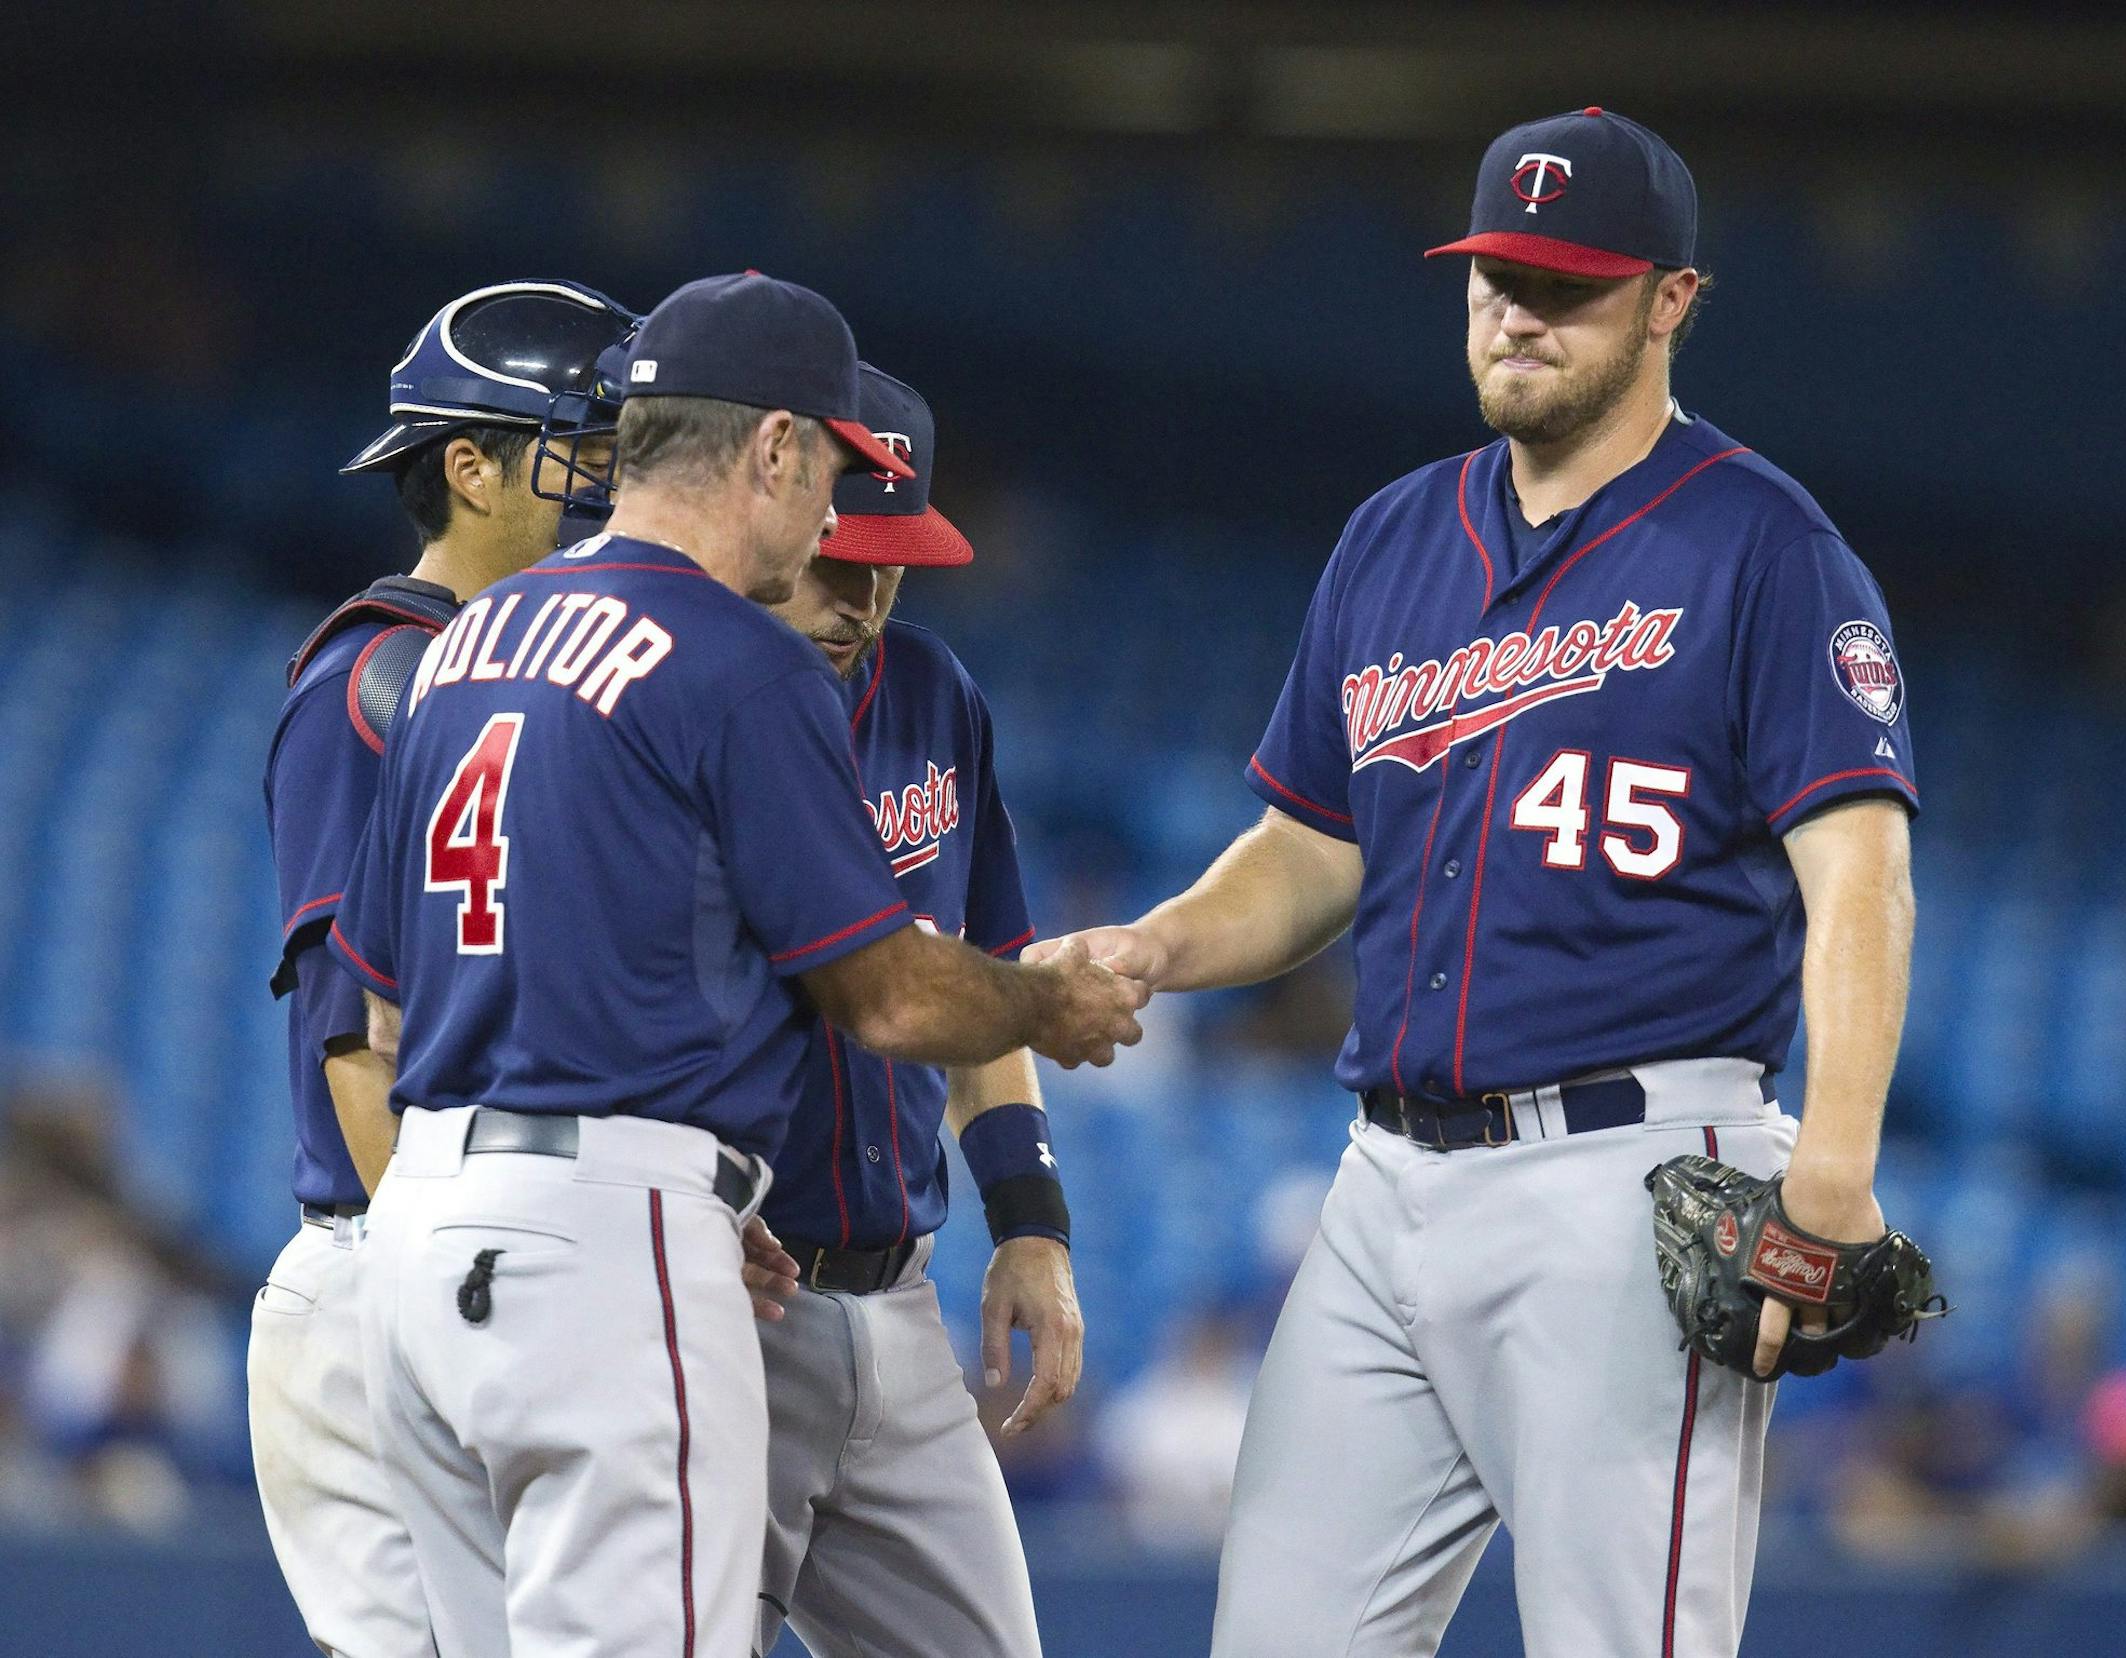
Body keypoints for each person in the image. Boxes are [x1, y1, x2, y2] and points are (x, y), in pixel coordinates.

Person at [1031, 107, 1920, 1657]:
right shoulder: (1392, 539)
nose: (1520, 309)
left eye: (1567, 281)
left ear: (1670, 301)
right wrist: (1161, 945)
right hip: (1381, 1183)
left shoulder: (1766, 546)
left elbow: (1862, 876)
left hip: (1632, 1174)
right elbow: (1316, 845)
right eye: (1496, 274)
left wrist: (1832, 1170)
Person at [326, 273, 1148, 1658]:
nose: (839, 529)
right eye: (826, 479)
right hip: (618, 1235)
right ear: (772, 447)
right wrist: (1047, 1000)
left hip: (438, 1238)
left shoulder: (467, 640)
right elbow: (889, 990)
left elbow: (382, 1007)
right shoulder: (729, 657)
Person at [255, 278, 636, 1657]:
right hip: (396, 1268)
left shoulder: (529, 673)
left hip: (487, 1253)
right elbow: (354, 1034)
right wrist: (455, 1293)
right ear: (467, 465)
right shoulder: (379, 680)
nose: (604, 476)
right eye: (576, 444)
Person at [738, 363, 1075, 1658]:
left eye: (892, 560)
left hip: (898, 1303)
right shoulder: (673, 709)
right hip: (731, 1303)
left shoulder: (933, 693)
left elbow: (988, 977)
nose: (863, 595)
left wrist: (1032, 1223)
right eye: (836, 557)